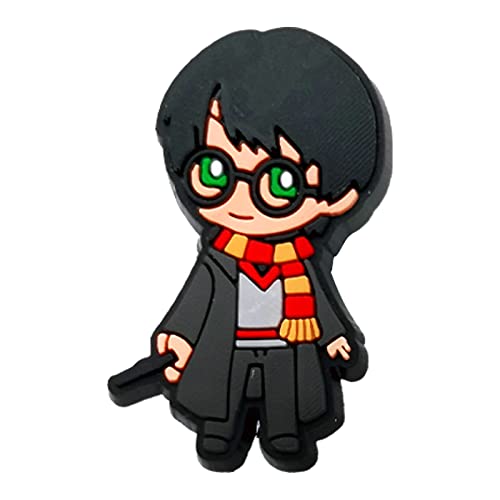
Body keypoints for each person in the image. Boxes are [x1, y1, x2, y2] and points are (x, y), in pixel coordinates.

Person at [152, 27, 391, 472]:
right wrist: (178, 337)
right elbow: (196, 302)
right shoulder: (220, 257)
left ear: (338, 196)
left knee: (286, 399)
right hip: (226, 349)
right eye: (215, 173)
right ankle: (219, 430)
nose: (240, 201)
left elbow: (321, 305)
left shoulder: (302, 264)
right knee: (221, 399)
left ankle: (283, 431)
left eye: (279, 183)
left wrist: (336, 338)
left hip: (289, 348)